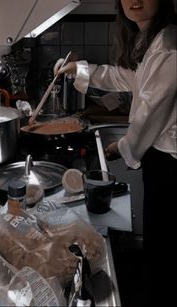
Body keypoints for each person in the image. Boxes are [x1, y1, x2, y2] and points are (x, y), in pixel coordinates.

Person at [54, 0, 177, 304]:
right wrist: (80, 70)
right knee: (158, 247)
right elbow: (125, 77)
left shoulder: (168, 46)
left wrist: (121, 147)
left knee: (164, 250)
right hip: (162, 161)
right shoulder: (154, 39)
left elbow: (150, 112)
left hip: (171, 166)